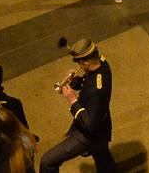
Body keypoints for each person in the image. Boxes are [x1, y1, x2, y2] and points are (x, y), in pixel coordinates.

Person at [39, 38, 114, 173]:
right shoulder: (102, 63)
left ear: (86, 62)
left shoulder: (98, 89)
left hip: (89, 134)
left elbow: (90, 124)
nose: (79, 66)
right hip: (102, 126)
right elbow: (88, 81)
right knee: (103, 161)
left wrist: (73, 101)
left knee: (47, 161)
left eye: (80, 63)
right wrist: (76, 81)